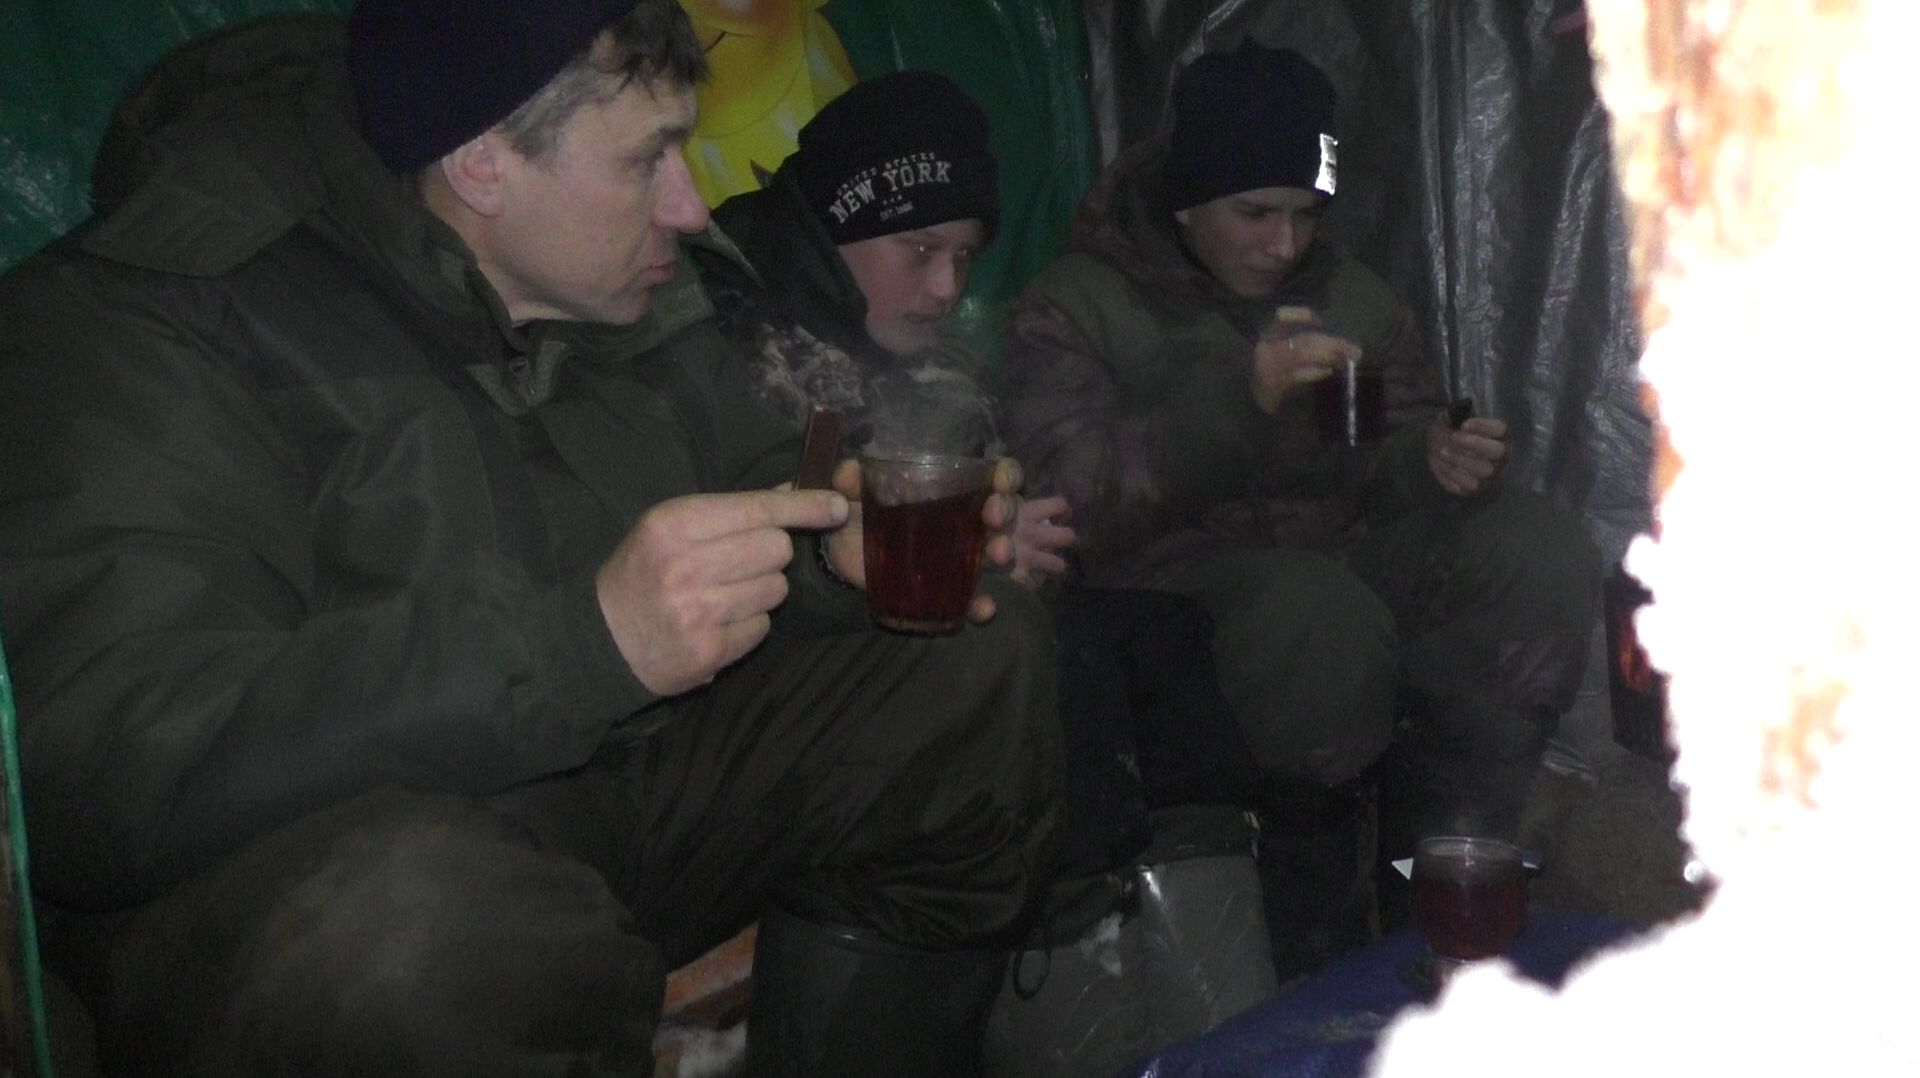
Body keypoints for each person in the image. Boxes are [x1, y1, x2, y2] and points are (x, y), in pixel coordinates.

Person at [0, 2, 1062, 1074]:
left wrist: (837, 552)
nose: (691, 205)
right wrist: (579, 645)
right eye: (647, 159)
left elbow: (753, 493)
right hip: (315, 895)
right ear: (482, 162)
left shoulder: (616, 279)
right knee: (420, 940)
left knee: (974, 664)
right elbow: (107, 760)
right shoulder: (140, 319)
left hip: (609, 799)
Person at [999, 40, 1600, 927]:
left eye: (1306, 214)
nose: (1284, 244)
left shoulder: (1351, 300)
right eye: (1254, 213)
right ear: (1187, 202)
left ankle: (1452, 855)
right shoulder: (1080, 306)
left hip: (1343, 563)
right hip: (1168, 595)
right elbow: (1064, 499)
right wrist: (1238, 402)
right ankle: (1308, 909)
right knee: (1314, 617)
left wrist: (1431, 460)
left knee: (1534, 548)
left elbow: (1381, 458)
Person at [693, 70, 1270, 960]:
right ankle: (1067, 964)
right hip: (766, 694)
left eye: (963, 258)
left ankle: (1193, 973)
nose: (944, 287)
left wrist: (1015, 542)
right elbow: (767, 556)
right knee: (1057, 668)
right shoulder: (727, 342)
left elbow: (1001, 501)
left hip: (917, 649)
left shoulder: (935, 365)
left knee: (1165, 641)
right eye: (919, 250)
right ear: (832, 228)